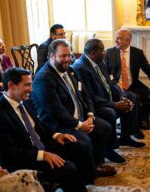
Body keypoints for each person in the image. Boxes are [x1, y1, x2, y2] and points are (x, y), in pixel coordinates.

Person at [0, 68, 97, 191]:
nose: (31, 89)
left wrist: (57, 135)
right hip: (23, 158)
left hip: (40, 145)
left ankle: (86, 183)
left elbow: (38, 125)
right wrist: (42, 155)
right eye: (27, 85)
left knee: (79, 146)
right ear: (11, 85)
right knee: (67, 168)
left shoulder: (25, 101)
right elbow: (6, 153)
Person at [31, 39, 117, 175]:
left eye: (69, 55)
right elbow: (55, 112)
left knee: (104, 128)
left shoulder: (71, 71)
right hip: (58, 125)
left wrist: (90, 115)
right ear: (52, 56)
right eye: (63, 56)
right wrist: (79, 125)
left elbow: (85, 95)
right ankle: (89, 173)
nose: (67, 59)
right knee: (84, 141)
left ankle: (97, 163)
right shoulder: (44, 78)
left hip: (80, 117)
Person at [73, 38, 145, 159]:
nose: (105, 52)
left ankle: (125, 137)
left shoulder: (100, 62)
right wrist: (115, 105)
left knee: (131, 97)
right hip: (95, 104)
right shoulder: (80, 68)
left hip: (107, 98)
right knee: (110, 112)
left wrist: (122, 96)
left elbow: (110, 84)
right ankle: (109, 149)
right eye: (102, 50)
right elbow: (90, 96)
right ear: (93, 53)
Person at [104, 29, 150, 130]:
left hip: (133, 85)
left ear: (128, 41)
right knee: (133, 98)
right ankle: (130, 126)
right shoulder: (110, 52)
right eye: (116, 37)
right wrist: (112, 85)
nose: (116, 40)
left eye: (119, 38)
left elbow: (149, 70)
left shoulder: (137, 53)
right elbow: (104, 73)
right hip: (116, 87)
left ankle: (142, 119)